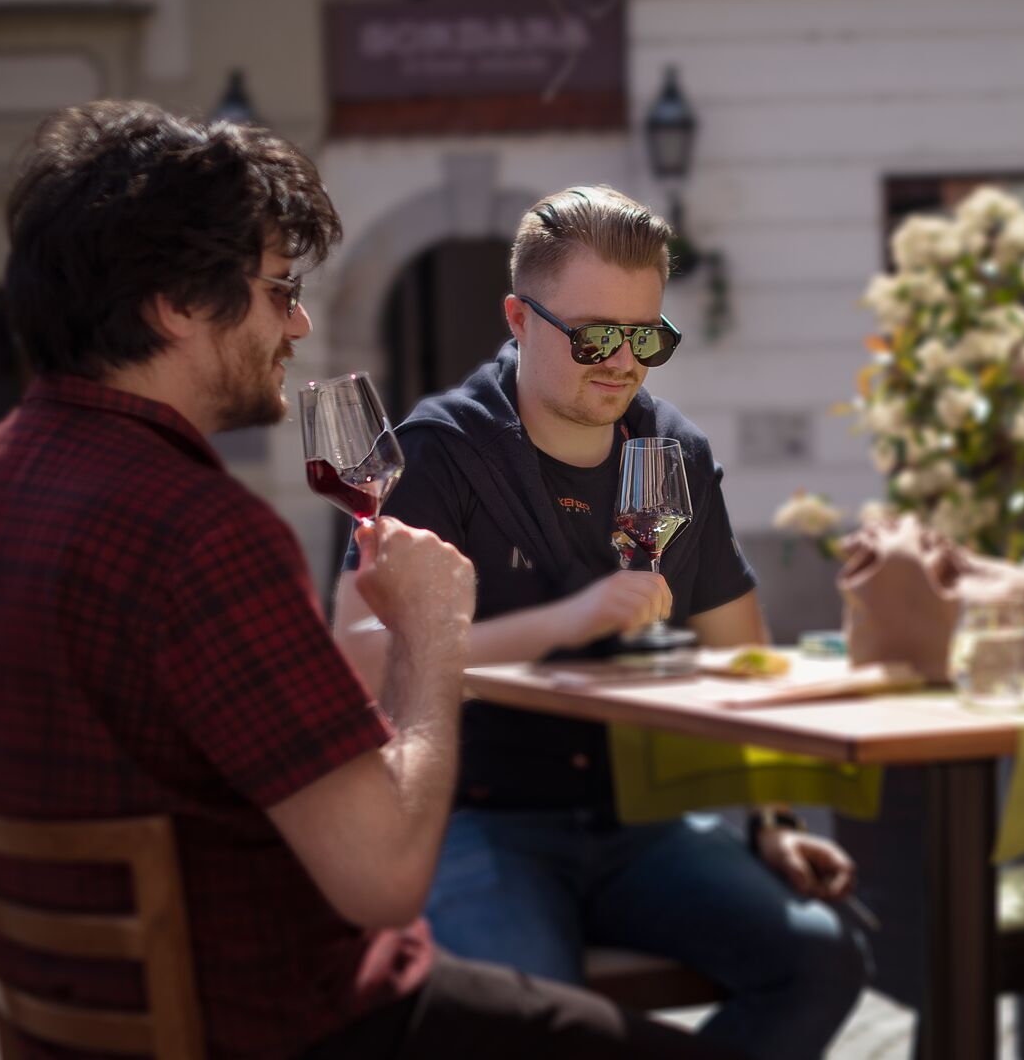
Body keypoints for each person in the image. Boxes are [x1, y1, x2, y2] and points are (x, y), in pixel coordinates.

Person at [0, 101, 738, 1060]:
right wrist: (432, 638)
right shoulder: (205, 535)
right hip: (309, 1029)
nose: (300, 322)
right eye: (280, 290)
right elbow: (387, 879)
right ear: (178, 304)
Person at [332, 186, 868, 1059]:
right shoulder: (437, 454)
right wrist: (568, 618)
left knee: (824, 958)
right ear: (519, 317)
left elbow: (743, 655)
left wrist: (775, 820)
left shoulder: (674, 454)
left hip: (640, 817)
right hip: (475, 815)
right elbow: (362, 658)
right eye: (594, 337)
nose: (622, 363)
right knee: (539, 1029)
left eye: (646, 338)